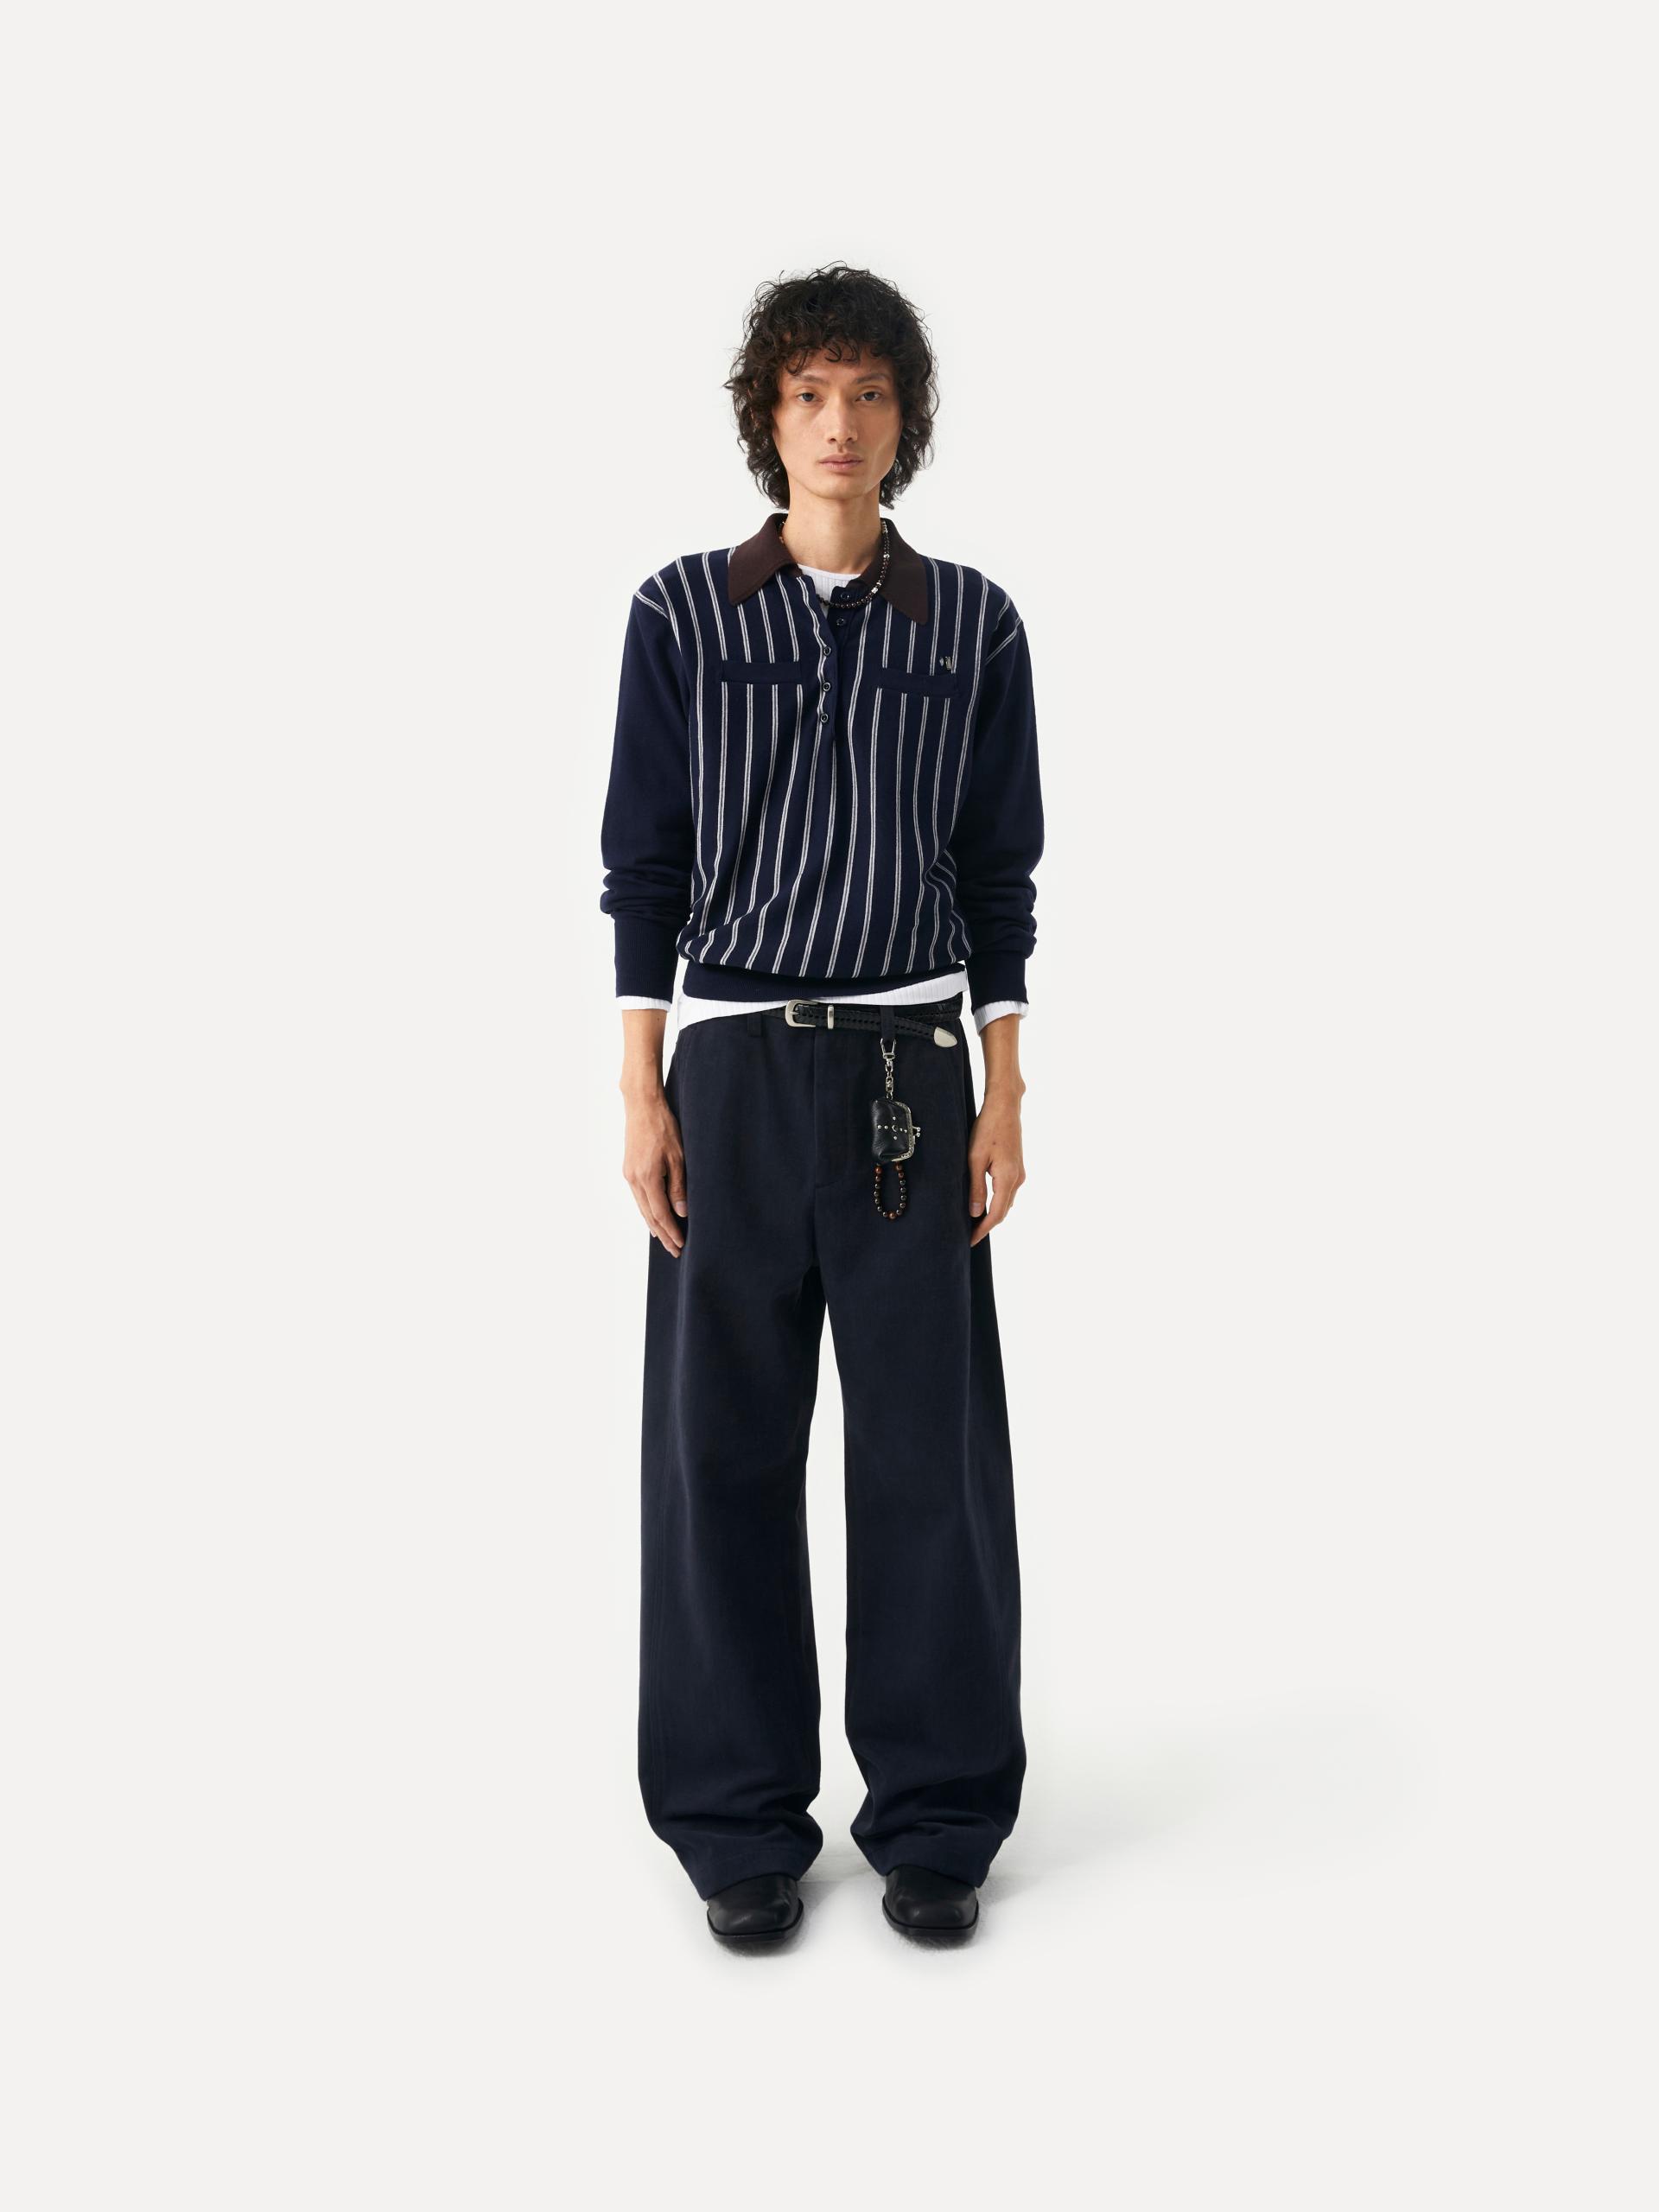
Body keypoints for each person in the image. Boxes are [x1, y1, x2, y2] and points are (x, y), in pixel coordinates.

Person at [598, 262, 1044, 1943]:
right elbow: (643, 863)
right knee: (719, 1453)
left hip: (910, 1078)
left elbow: (998, 875)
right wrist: (640, 1085)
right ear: (767, 419)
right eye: (808, 394)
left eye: (866, 393)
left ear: (903, 419)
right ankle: (736, 1824)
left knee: (929, 1458)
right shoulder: (680, 616)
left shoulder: (976, 627)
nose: (838, 423)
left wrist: (1006, 1085)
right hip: (728, 1068)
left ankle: (938, 1816)